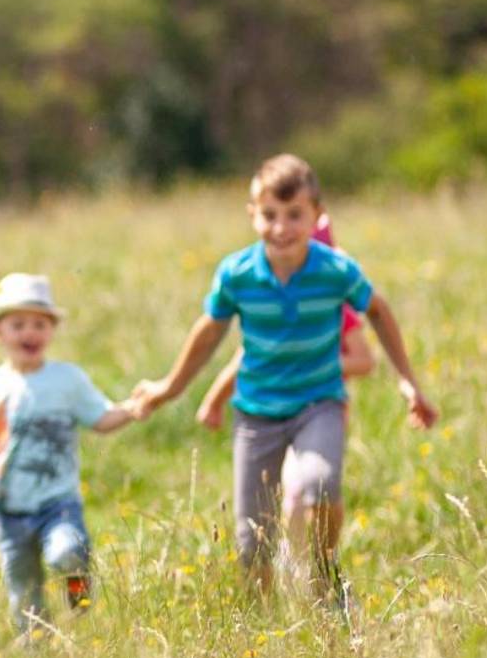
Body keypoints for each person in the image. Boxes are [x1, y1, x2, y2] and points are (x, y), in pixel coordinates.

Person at [128, 154, 439, 607]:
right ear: (252, 215)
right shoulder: (237, 274)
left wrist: (408, 381)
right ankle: (261, 627)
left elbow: (378, 312)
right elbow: (209, 333)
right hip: (256, 415)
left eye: (295, 215)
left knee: (321, 482)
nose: (282, 228)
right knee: (253, 542)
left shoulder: (335, 271)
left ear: (317, 215)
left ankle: (324, 574)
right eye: (270, 215)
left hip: (318, 404)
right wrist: (168, 388)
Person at [0, 274, 142, 633]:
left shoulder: (67, 380)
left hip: (59, 504)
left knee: (67, 553)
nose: (30, 332)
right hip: (9, 512)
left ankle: (80, 595)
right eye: (18, 324)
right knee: (23, 593)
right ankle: (35, 654)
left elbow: (100, 418)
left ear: (52, 330)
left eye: (40, 324)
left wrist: (132, 409)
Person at [195, 213, 375, 430]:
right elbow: (242, 361)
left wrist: (315, 364)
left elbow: (365, 361)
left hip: (321, 409)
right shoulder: (274, 315)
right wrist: (213, 401)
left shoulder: (339, 314)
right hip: (271, 408)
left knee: (311, 463)